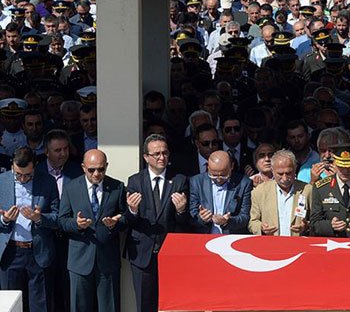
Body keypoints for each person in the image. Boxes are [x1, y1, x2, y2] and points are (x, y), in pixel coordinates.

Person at [124, 134, 189, 312]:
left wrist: (181, 210)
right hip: (143, 253)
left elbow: (183, 221)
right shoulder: (135, 181)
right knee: (145, 305)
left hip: (170, 252)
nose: (162, 157)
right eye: (157, 154)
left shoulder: (179, 180)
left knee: (172, 304)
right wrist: (132, 210)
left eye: (165, 153)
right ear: (146, 157)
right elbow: (129, 221)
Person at [58, 149, 127, 312]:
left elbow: (125, 218)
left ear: (106, 167)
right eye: (91, 170)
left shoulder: (117, 187)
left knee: (109, 307)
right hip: (80, 260)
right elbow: (61, 220)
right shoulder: (71, 188)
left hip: (107, 260)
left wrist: (115, 224)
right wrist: (77, 224)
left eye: (101, 169)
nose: (96, 174)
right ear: (83, 167)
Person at [0, 147, 59, 312]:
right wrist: (4, 219)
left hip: (38, 252)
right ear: (12, 166)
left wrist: (39, 218)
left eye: (27, 175)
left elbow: (58, 217)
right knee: (9, 305)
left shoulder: (47, 182)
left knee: (40, 305)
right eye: (18, 174)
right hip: (10, 252)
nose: (22, 178)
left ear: (35, 166)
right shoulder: (2, 181)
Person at [35, 129, 83, 312]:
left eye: (65, 149)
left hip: (70, 238)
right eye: (57, 150)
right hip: (45, 238)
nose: (63, 154)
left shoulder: (77, 170)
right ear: (46, 152)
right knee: (46, 287)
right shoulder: (36, 171)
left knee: (68, 285)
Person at [248, 149, 312, 236]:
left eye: (288, 173)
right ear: (272, 170)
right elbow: (253, 222)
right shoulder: (260, 192)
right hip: (272, 245)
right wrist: (261, 228)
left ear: (295, 168)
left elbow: (316, 220)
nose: (285, 178)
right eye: (280, 174)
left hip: (298, 245)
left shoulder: (307, 190)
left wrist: (306, 226)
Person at [189, 150, 252, 234]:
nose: (218, 179)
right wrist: (201, 218)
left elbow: (245, 217)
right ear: (208, 167)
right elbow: (191, 214)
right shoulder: (197, 182)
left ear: (232, 166)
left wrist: (227, 221)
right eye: (213, 175)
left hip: (231, 237)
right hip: (205, 236)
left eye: (223, 175)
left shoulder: (243, 183)